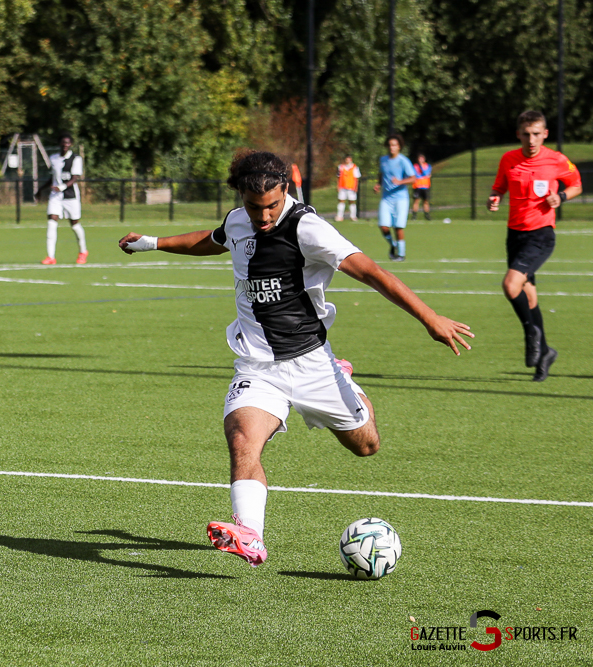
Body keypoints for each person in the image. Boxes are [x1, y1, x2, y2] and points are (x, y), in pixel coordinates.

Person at [117, 150, 472, 567]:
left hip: (311, 363)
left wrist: (429, 318)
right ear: (241, 197)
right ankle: (251, 534)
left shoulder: (308, 228)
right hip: (256, 365)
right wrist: (152, 243)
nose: (263, 216)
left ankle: (346, 380)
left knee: (366, 446)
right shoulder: (239, 220)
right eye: (254, 207)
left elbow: (372, 272)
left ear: (285, 189)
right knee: (242, 438)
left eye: (271, 206)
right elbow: (212, 240)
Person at [488, 110, 581, 382]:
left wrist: (561, 196)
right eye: (526, 134)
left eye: (536, 134)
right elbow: (499, 188)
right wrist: (494, 198)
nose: (531, 140)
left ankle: (532, 335)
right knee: (528, 298)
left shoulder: (557, 159)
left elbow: (576, 184)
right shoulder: (508, 159)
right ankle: (545, 354)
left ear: (545, 134)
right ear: (518, 134)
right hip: (514, 235)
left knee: (510, 285)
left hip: (541, 235)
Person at [42, 134, 87, 265]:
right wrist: (40, 190)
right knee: (51, 222)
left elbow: (74, 178)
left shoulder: (75, 159)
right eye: (63, 142)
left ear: (71, 144)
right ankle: (50, 256)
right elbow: (53, 178)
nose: (65, 145)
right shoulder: (53, 158)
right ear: (59, 143)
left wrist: (61, 187)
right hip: (55, 196)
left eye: (67, 143)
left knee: (75, 224)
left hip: (70, 195)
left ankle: (83, 251)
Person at [373, 135, 416, 261]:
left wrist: (400, 182)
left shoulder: (403, 161)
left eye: (394, 145)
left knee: (398, 227)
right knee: (383, 226)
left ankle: (401, 254)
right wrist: (378, 184)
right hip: (386, 198)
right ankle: (393, 245)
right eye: (390, 145)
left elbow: (413, 178)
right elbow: (381, 174)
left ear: (399, 147)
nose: (392, 147)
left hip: (400, 199)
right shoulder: (383, 160)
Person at [335, 155, 361, 222]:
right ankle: (339, 216)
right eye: (346, 159)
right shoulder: (340, 167)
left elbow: (356, 178)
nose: (347, 161)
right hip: (342, 187)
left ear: (351, 160)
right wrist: (337, 186)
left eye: (349, 159)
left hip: (351, 187)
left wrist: (356, 187)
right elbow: (338, 177)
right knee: (341, 201)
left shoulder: (355, 167)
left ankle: (353, 216)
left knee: (352, 201)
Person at [410, 154, 432, 220]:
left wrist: (421, 168)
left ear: (424, 159)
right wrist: (422, 176)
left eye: (422, 159)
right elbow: (415, 175)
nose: (421, 160)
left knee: (426, 201)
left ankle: (427, 215)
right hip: (418, 186)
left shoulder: (428, 166)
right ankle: (414, 216)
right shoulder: (415, 166)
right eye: (419, 159)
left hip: (425, 186)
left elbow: (426, 173)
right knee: (416, 201)